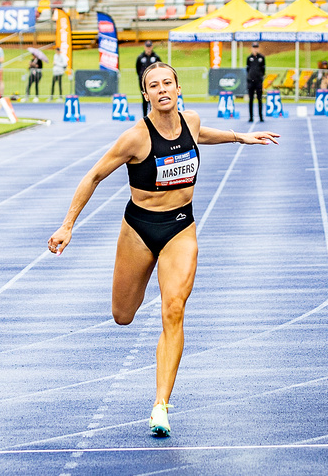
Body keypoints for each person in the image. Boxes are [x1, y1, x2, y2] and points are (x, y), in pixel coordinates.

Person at [47, 63, 279, 437]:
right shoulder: (135, 138)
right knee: (123, 314)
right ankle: (137, 313)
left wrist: (240, 137)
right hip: (139, 229)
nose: (162, 90)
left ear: (177, 87)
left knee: (174, 308)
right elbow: (92, 176)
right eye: (153, 86)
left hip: (181, 228)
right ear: (146, 95)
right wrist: (67, 224)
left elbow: (201, 134)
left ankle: (160, 405)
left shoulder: (192, 120)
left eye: (167, 82)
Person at [135, 40, 162, 116]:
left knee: (153, 98)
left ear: (152, 47)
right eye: (147, 47)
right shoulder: (140, 57)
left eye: (150, 47)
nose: (148, 49)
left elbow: (160, 67)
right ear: (145, 47)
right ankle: (144, 116)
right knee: (144, 98)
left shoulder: (156, 57)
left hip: (154, 81)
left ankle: (153, 115)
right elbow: (138, 69)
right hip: (143, 81)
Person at [245, 42, 266, 123]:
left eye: (256, 47)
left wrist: (260, 77)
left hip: (258, 81)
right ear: (252, 48)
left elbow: (263, 69)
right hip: (251, 81)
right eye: (254, 47)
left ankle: (261, 116)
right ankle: (251, 117)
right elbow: (247, 69)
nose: (255, 49)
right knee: (251, 99)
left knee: (260, 99)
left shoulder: (262, 58)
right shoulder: (249, 58)